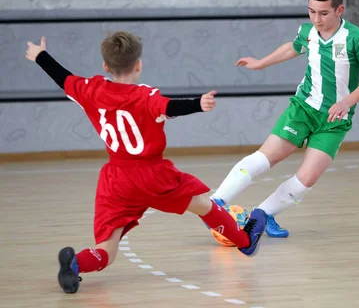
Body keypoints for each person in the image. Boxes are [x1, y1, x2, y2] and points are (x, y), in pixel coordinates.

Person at [25, 32, 267, 294]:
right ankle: (245, 241)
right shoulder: (145, 96)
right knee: (205, 206)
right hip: (152, 175)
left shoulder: (91, 90)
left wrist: (40, 56)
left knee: (107, 250)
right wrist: (198, 104)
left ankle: (75, 264)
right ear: (139, 64)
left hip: (115, 179)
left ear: (106, 66)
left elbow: (63, 78)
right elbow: (170, 107)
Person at [211, 0, 359, 237]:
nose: (316, 19)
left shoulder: (358, 39)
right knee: (267, 156)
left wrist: (347, 101)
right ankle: (215, 204)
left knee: (307, 179)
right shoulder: (308, 32)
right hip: (303, 108)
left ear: (339, 10)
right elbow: (292, 47)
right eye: (312, 11)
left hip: (334, 121)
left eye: (324, 13)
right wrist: (260, 63)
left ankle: (264, 214)